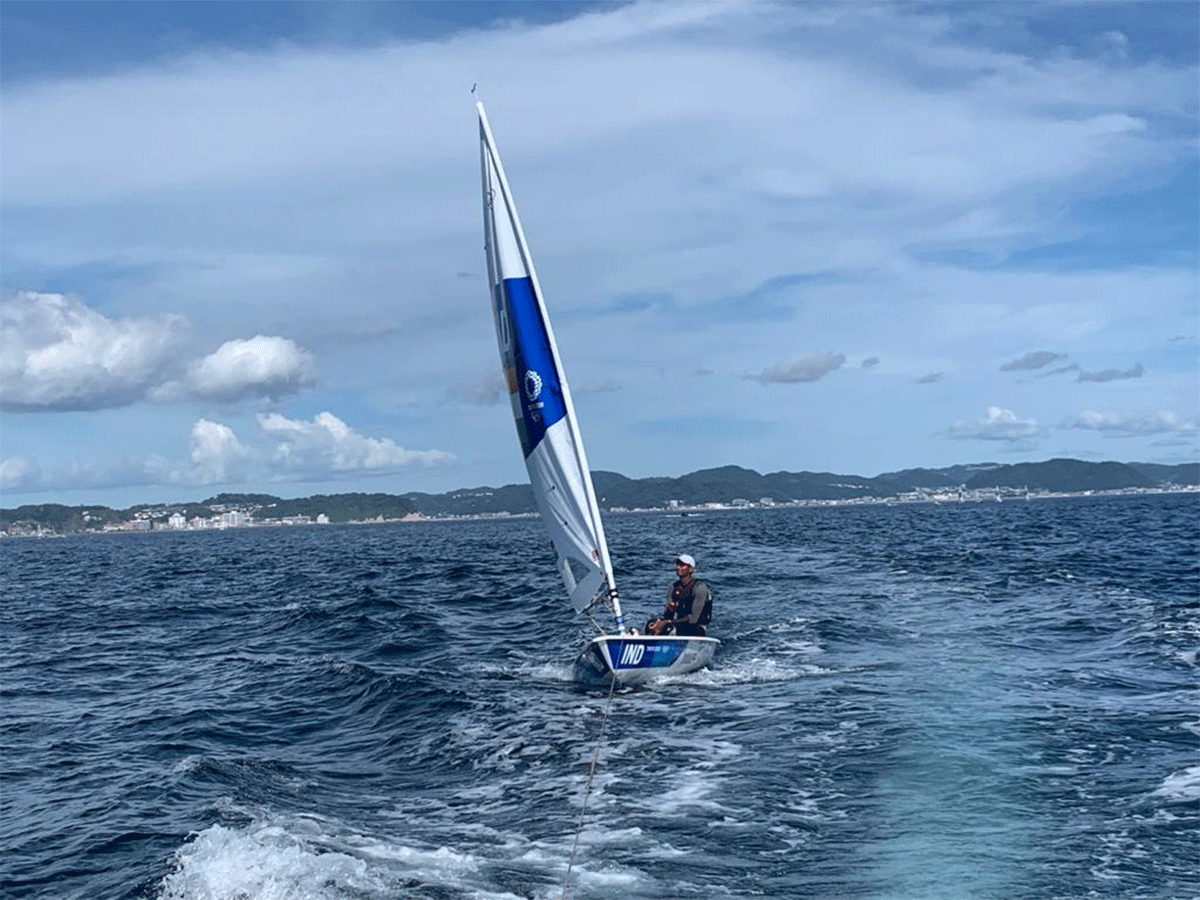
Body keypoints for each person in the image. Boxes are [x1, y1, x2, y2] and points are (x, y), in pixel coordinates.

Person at [646, 554, 712, 636]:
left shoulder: (699, 587)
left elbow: (693, 619)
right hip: (679, 624)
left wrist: (667, 622)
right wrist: (669, 610)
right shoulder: (673, 587)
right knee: (651, 624)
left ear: (690, 569)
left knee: (669, 627)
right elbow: (668, 616)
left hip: (696, 627)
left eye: (682, 565)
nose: (678, 567)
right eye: (677, 564)